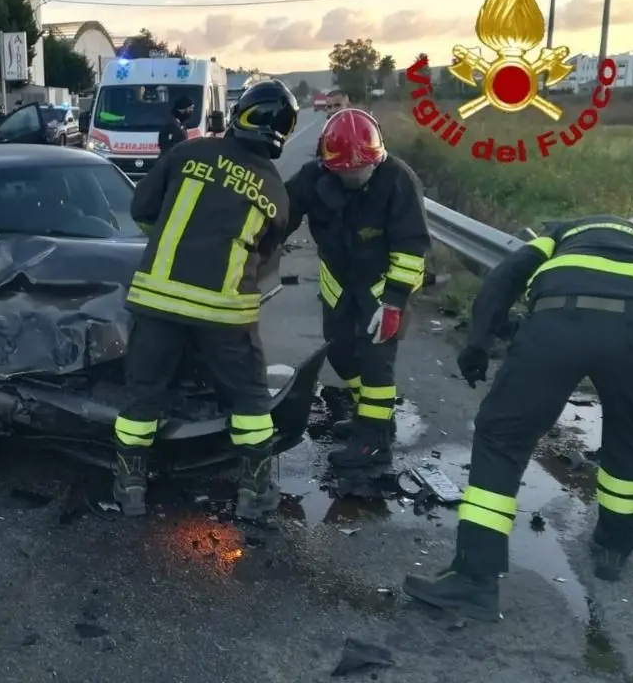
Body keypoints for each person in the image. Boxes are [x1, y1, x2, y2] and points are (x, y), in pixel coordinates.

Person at [403, 212, 633, 621]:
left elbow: (508, 274)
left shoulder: (577, 227)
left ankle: (474, 581)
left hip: (559, 320)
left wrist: (479, 342)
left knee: (502, 439)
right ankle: (613, 549)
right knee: (630, 441)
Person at [112, 79, 299, 520]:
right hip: (225, 315)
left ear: (239, 115)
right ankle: (255, 492)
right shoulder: (275, 192)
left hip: (159, 304)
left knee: (142, 398)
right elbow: (265, 257)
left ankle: (130, 486)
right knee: (250, 401)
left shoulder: (187, 153)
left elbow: (142, 210)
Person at [282, 108, 430, 469]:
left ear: (377, 159)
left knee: (376, 363)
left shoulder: (398, 180)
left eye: (362, 170)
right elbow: (281, 215)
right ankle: (370, 416)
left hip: (385, 285)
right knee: (341, 353)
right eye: (347, 173)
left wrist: (394, 303)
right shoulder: (313, 178)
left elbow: (411, 247)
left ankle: (375, 442)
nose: (356, 177)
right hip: (338, 281)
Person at [315, 89, 352, 157]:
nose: (333, 110)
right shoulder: (326, 133)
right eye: (329, 107)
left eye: (337, 105)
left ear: (348, 106)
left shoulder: (362, 125)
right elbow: (319, 158)